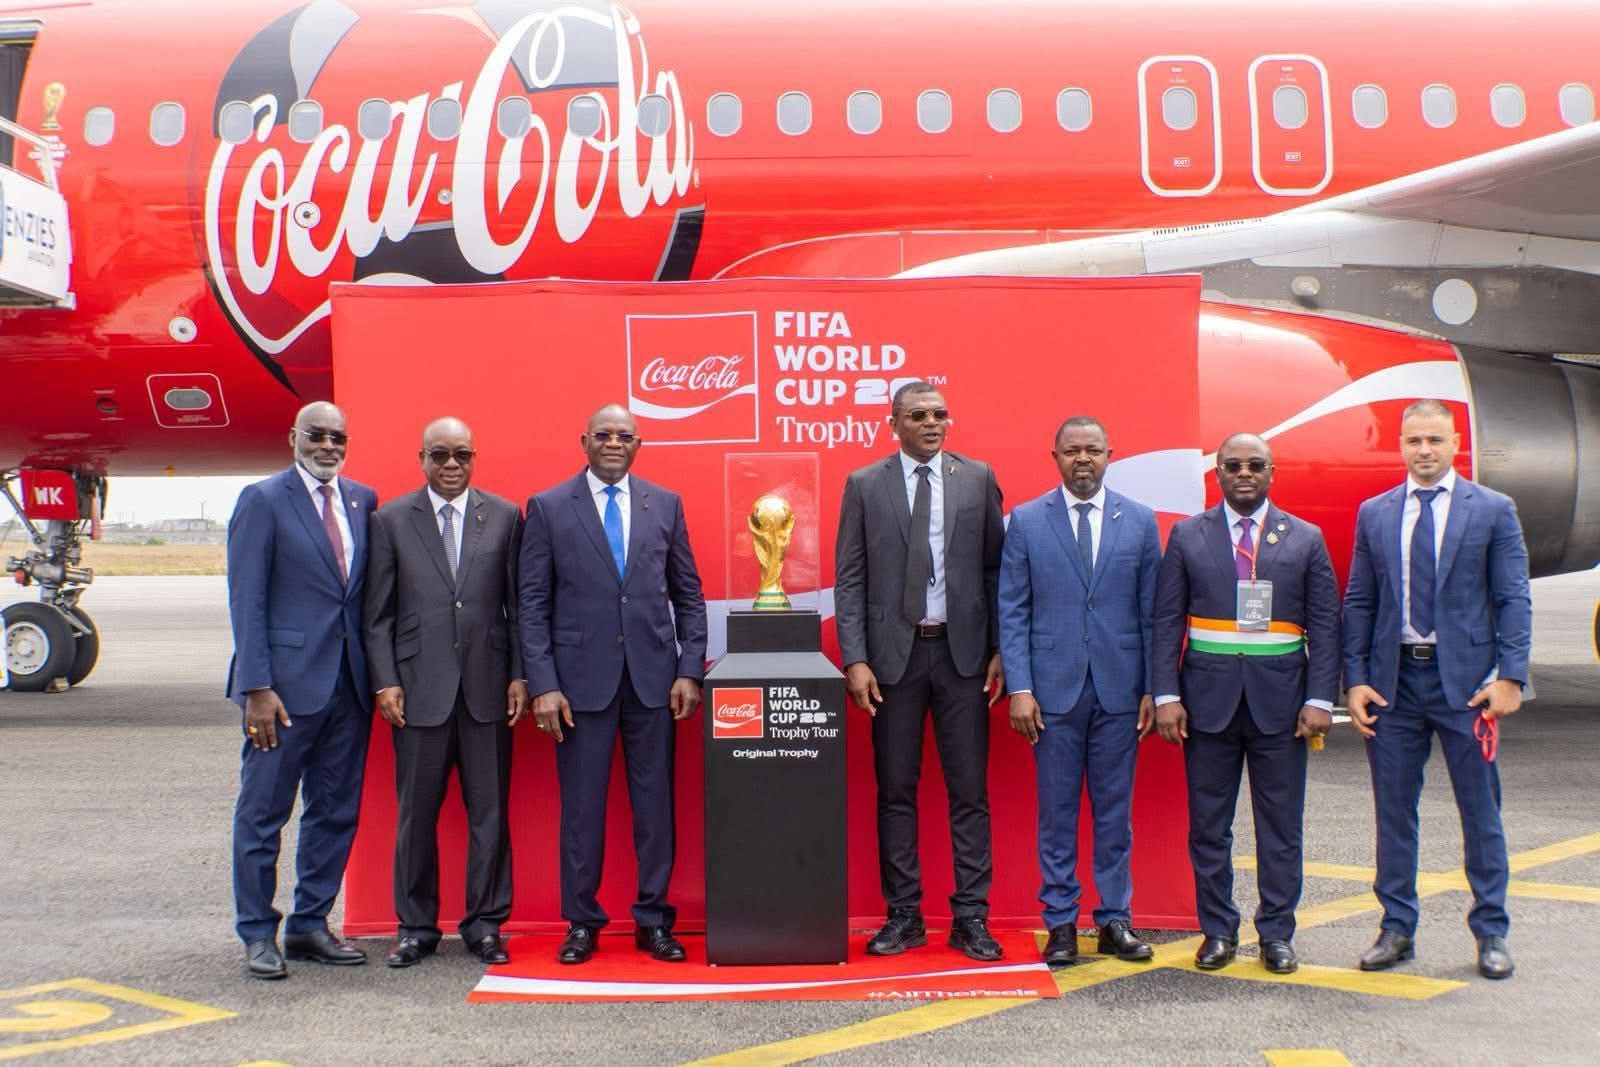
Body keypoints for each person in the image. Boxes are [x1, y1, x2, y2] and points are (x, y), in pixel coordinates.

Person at [1342, 399, 1531, 980]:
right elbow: (1360, 601)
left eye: (1435, 440)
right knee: (1394, 814)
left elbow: (1512, 597)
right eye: (1413, 441)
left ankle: (1491, 932)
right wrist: (1354, 681)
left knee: (1481, 813)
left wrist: (1510, 676)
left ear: (1456, 444)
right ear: (1400, 445)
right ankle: (1396, 929)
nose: (1424, 450)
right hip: (1394, 686)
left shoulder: (1493, 510)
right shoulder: (1375, 513)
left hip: (1467, 688)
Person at [518, 403, 707, 965]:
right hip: (579, 688)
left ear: (638, 444)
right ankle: (582, 923)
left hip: (653, 684)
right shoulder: (549, 508)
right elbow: (532, 605)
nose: (614, 443)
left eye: (625, 436)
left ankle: (654, 920)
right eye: (604, 434)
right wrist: (544, 684)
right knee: (582, 810)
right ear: (584, 441)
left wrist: (688, 669)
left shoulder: (664, 505)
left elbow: (688, 595)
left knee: (655, 810)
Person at [1151, 433, 1338, 975]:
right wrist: (1166, 694)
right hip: (1206, 704)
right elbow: (1166, 620)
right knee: (1209, 826)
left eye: (1255, 465)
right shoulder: (1188, 536)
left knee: (1280, 827)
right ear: (1218, 472)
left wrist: (1321, 697)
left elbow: (1326, 624)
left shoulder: (1305, 538)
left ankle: (1277, 934)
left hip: (1283, 707)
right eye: (1233, 465)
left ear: (1272, 472)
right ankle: (1218, 931)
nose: (1244, 473)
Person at [834, 380, 1007, 961]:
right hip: (892, 661)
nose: (931, 424)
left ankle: (971, 918)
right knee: (896, 791)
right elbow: (850, 579)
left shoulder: (978, 479)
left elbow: (995, 572)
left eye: (939, 415)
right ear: (894, 423)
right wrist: (855, 659)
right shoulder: (864, 485)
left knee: (969, 792)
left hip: (962, 659)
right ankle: (903, 914)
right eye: (918, 415)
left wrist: (1001, 649)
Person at [364, 417, 529, 969]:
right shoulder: (389, 520)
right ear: (422, 459)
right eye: (440, 454)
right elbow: (377, 615)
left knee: (490, 815)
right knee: (416, 815)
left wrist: (520, 675)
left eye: (461, 454)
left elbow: (518, 606)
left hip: (487, 691)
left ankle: (485, 925)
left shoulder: (505, 517)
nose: (451, 464)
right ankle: (415, 926)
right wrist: (386, 679)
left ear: (474, 457)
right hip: (416, 693)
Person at [998, 416, 1162, 968]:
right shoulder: (1025, 521)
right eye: (1073, 451)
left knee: (1115, 815)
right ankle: (1061, 924)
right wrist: (1019, 687)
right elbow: (1013, 611)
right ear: (1055, 456)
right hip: (1052, 695)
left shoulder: (1139, 522)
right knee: (1057, 813)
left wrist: (1154, 689)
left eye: (1093, 450)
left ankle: (1115, 919)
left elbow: (1151, 614)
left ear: (1110, 454)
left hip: (1120, 692)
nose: (1083, 460)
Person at [225, 401, 378, 980]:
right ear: (294, 438)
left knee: (334, 812)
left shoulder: (362, 501)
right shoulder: (263, 501)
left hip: (348, 686)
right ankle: (258, 933)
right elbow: (247, 599)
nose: (328, 446)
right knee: (263, 815)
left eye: (338, 436)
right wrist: (256, 686)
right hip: (282, 694)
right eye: (317, 435)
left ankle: (311, 923)